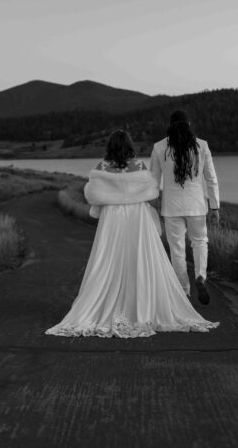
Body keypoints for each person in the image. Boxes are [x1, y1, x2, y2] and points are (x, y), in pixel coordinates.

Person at [46, 130, 219, 338]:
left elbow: (93, 195)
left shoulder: (101, 167)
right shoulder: (139, 166)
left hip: (112, 219)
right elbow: (151, 190)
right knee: (140, 260)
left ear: (110, 146)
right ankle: (143, 304)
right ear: (129, 146)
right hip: (138, 218)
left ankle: (106, 304)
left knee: (109, 260)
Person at [149, 110, 219, 304]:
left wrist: (153, 205)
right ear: (189, 124)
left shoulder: (159, 147)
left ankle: (183, 292)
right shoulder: (202, 146)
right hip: (197, 205)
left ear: (170, 126)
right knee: (200, 241)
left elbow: (153, 180)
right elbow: (211, 179)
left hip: (171, 208)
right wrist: (215, 207)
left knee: (177, 249)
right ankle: (200, 277)